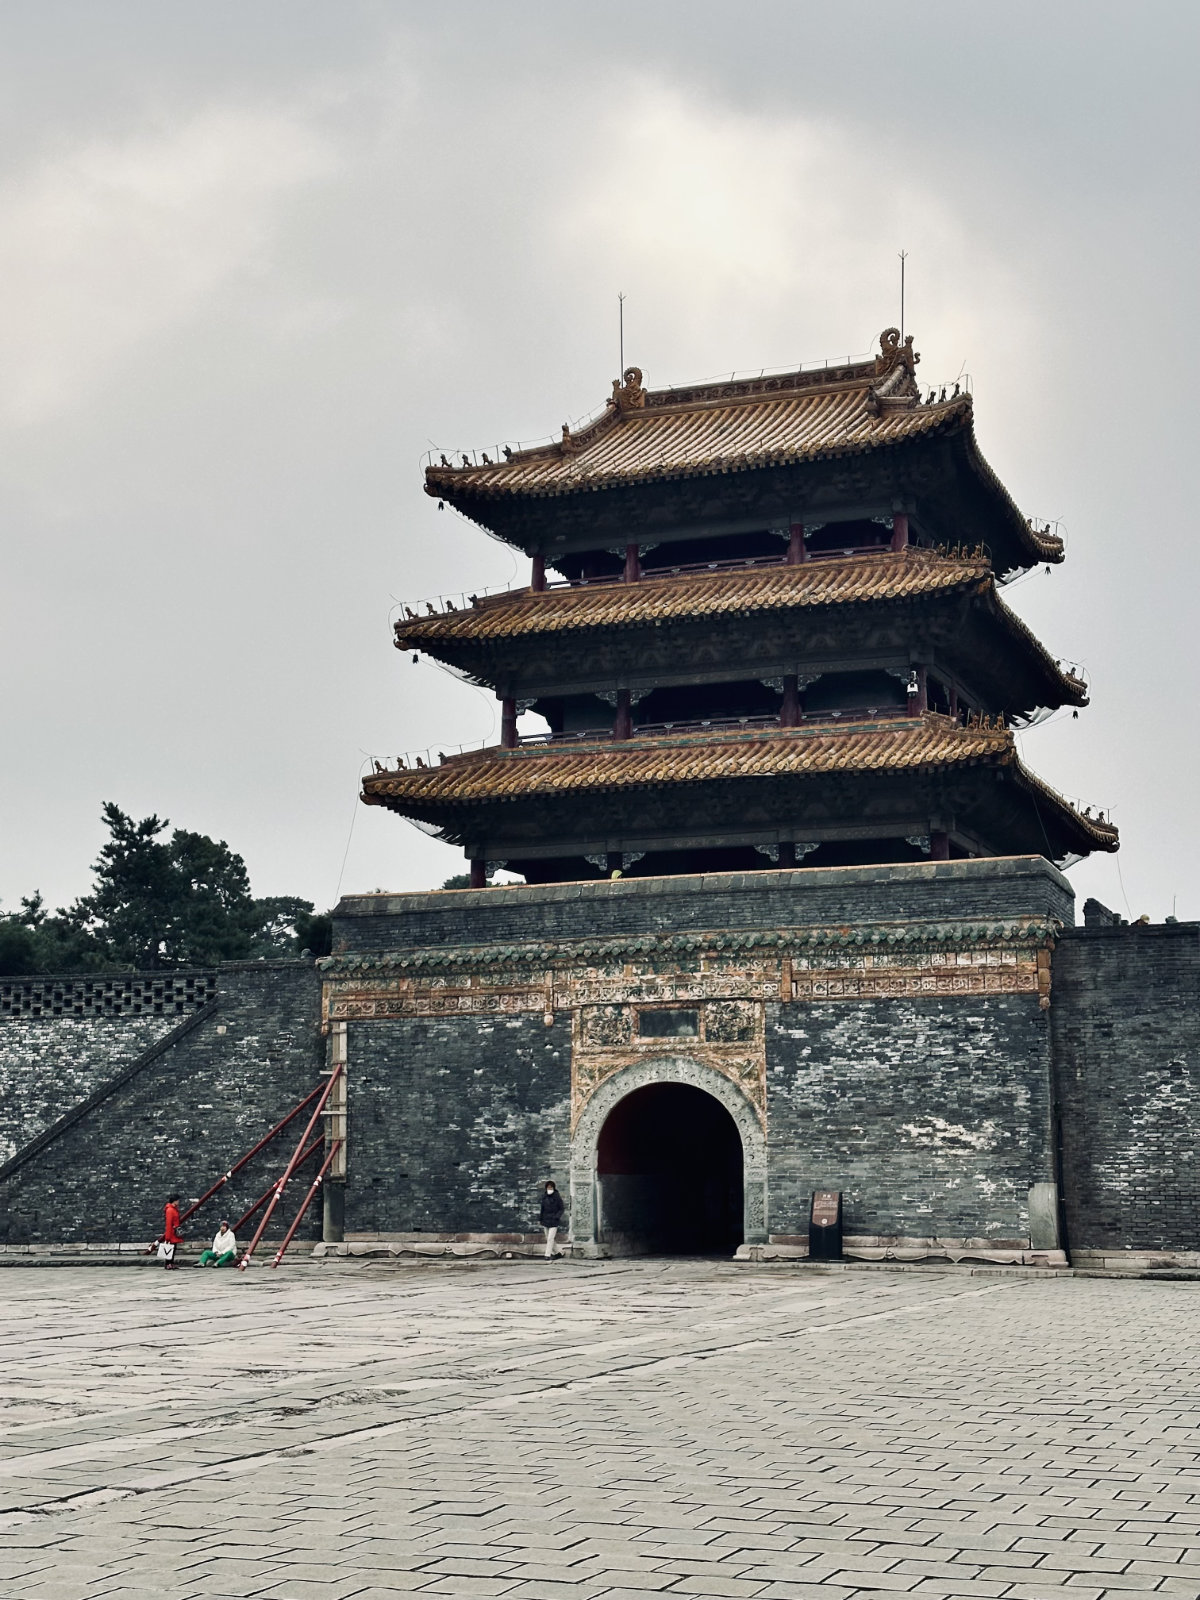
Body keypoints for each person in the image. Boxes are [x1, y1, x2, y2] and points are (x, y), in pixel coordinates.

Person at [539, 1180, 565, 1259]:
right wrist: (540, 1219)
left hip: (554, 1220)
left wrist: (557, 1216)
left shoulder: (557, 1196)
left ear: (553, 1188)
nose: (549, 1189)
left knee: (550, 1238)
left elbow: (561, 1208)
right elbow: (542, 1209)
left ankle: (547, 1255)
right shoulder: (544, 1196)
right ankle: (558, 1253)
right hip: (545, 1220)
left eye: (551, 1187)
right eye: (548, 1187)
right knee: (549, 1238)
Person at [160, 1194, 184, 1270]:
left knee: (173, 1248)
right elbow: (169, 1223)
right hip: (171, 1232)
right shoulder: (170, 1210)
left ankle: (171, 1262)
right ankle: (168, 1263)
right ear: (175, 1201)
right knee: (169, 1248)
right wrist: (167, 1237)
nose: (178, 1202)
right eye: (178, 1200)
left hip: (174, 1231)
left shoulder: (174, 1209)